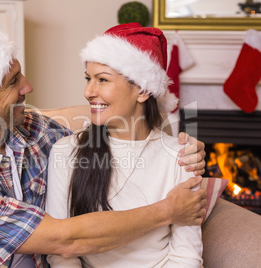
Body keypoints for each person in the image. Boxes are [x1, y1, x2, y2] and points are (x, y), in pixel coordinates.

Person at [0, 23, 207, 267]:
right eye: (13, 82)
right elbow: (66, 241)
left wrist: (182, 147)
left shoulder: (33, 131)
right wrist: (168, 210)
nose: (28, 87)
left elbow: (114, 127)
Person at [46, 23, 204, 267]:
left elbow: (186, 256)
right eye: (88, 78)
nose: (88, 91)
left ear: (142, 90)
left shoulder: (182, 155)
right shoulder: (66, 151)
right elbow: (61, 255)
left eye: (102, 80)